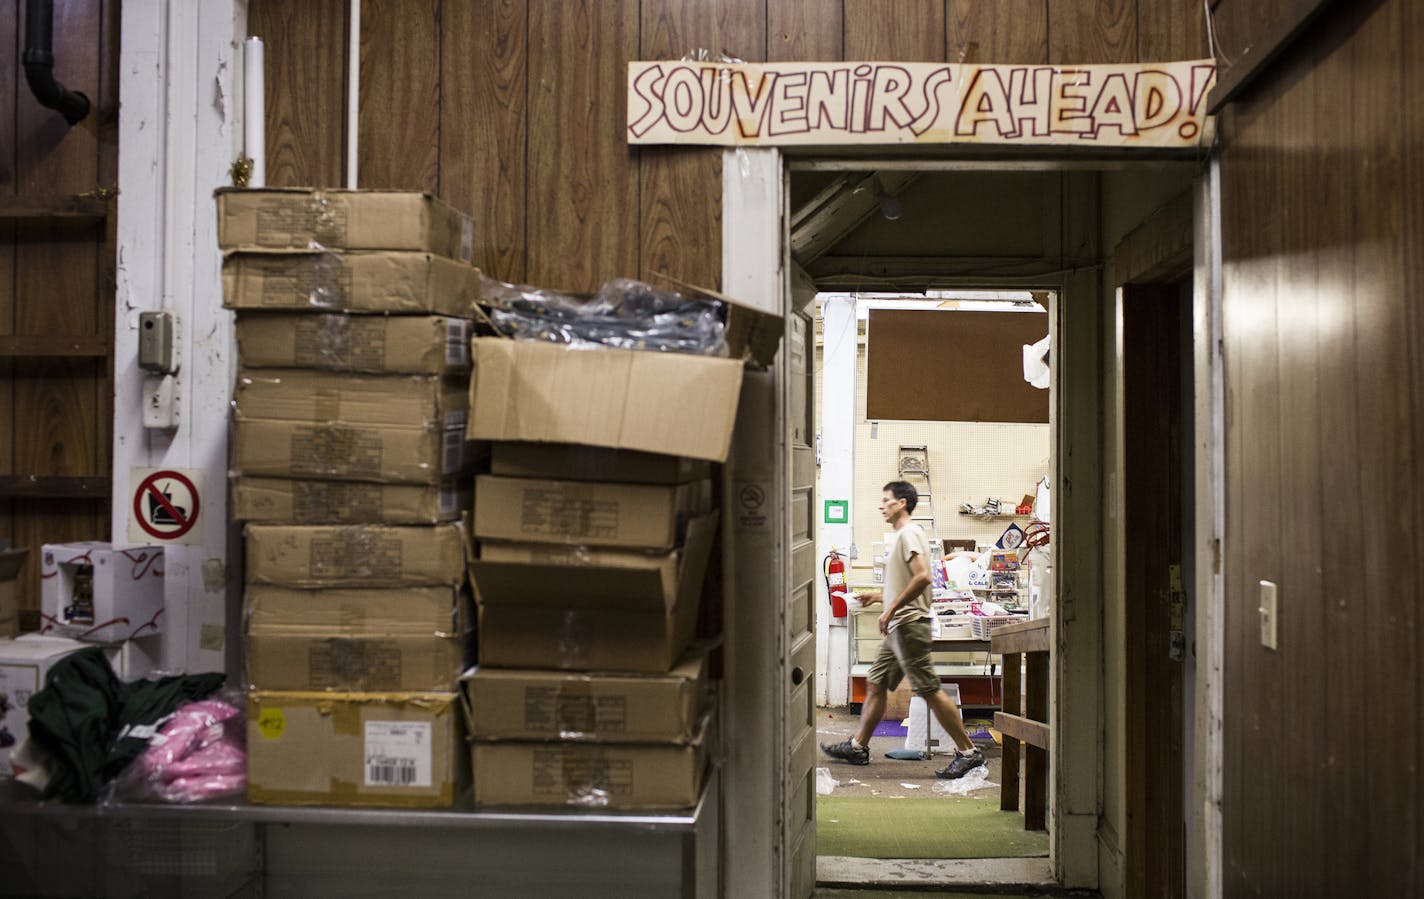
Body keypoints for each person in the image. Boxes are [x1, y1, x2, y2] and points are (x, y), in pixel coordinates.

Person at [820, 480, 986, 779]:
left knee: (929, 689)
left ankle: (968, 752)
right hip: (900, 625)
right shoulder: (901, 537)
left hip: (909, 625)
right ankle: (858, 746)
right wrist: (878, 596)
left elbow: (922, 577)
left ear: (902, 503)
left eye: (887, 500)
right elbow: (907, 581)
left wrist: (891, 608)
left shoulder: (909, 533)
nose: (881, 505)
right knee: (876, 683)